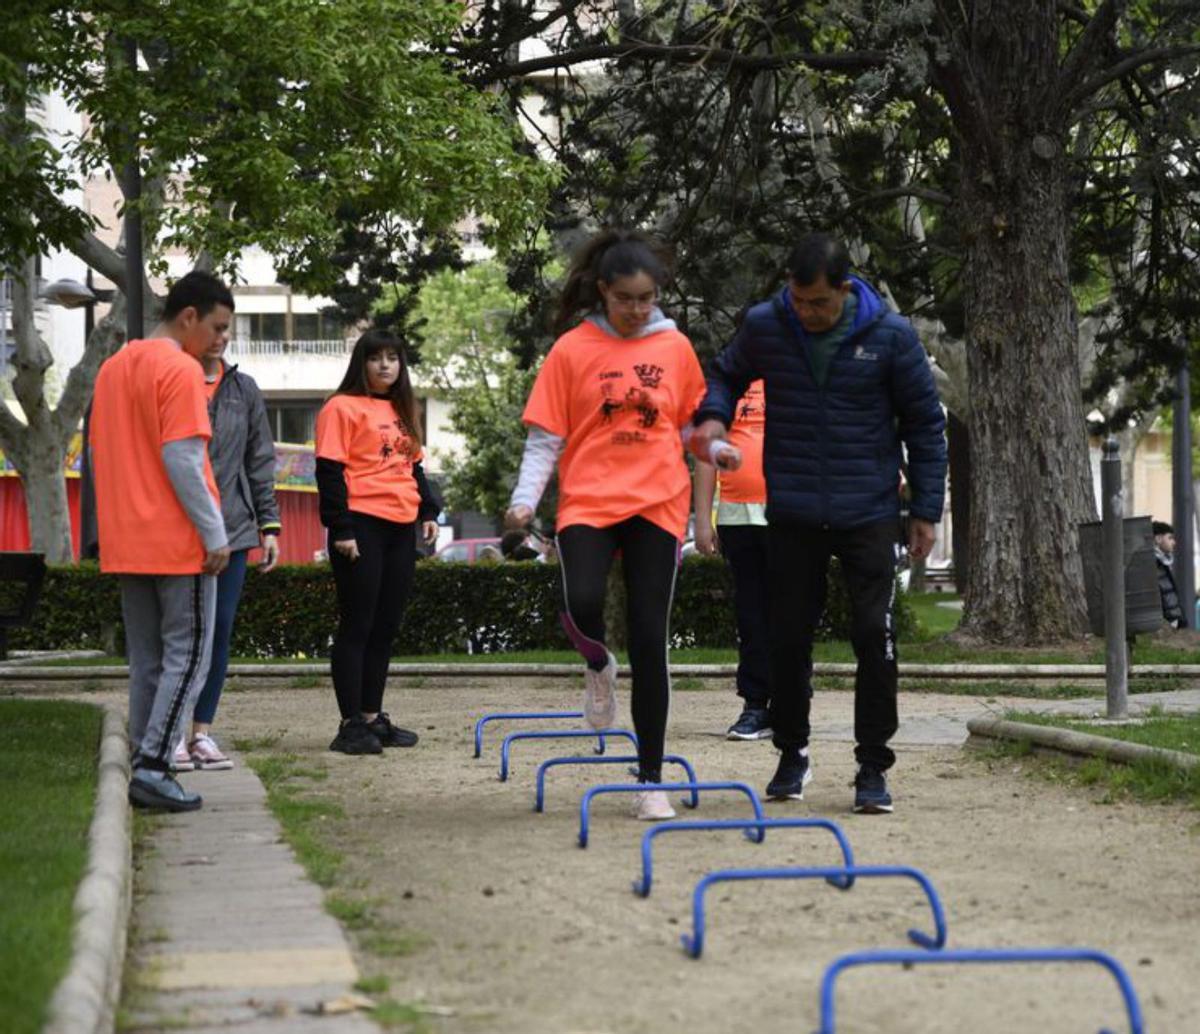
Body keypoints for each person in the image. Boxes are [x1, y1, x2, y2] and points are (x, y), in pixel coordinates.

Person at [691, 232, 947, 814]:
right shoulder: (767, 325)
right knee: (787, 638)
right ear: (789, 287)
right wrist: (714, 417)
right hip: (794, 508)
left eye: (821, 304)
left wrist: (926, 509)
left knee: (873, 636)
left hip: (869, 509)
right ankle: (792, 752)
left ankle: (872, 765)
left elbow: (925, 425)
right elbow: (724, 375)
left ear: (845, 288)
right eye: (801, 301)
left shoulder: (890, 335)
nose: (809, 313)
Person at [505, 229, 739, 822]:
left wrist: (716, 451)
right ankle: (597, 666)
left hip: (657, 502)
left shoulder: (675, 347)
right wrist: (523, 503)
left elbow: (690, 430)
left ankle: (651, 779)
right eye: (625, 299)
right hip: (588, 499)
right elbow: (545, 439)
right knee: (581, 600)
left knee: (649, 637)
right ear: (603, 291)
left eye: (647, 298)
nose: (637, 309)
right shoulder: (572, 350)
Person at [91, 270, 233, 811]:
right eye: (217, 327)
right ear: (189, 316)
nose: (220, 339)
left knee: (148, 660)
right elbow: (183, 458)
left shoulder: (113, 367)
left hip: (129, 539)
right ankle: (154, 766)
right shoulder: (180, 369)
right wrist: (214, 533)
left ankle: (143, 759)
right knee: (189, 655)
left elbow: (104, 454)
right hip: (178, 541)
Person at [315, 330, 440, 755]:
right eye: (376, 358)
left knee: (385, 626)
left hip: (401, 526)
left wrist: (428, 511)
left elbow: (413, 467)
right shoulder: (340, 407)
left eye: (392, 357)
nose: (385, 365)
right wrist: (341, 528)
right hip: (361, 523)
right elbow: (329, 471)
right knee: (358, 625)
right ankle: (350, 724)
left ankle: (372, 717)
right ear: (362, 363)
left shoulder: (404, 409)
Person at [171, 329, 282, 773]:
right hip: (178, 527)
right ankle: (170, 734)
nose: (219, 336)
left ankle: (201, 733)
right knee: (180, 633)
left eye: (225, 328)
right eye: (212, 326)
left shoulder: (243, 389)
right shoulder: (173, 380)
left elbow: (259, 459)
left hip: (233, 528)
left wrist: (268, 524)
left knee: (219, 630)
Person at [693, 379, 774, 739]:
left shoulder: (796, 375)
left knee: (791, 612)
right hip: (736, 516)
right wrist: (702, 521)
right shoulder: (726, 387)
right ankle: (755, 704)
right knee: (750, 614)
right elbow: (706, 456)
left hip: (789, 513)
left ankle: (790, 702)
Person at [1152, 520, 1185, 629]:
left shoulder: (1162, 563)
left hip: (1171, 622)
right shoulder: (1152, 563)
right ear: (1158, 539)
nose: (1174, 542)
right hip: (1163, 625)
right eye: (1170, 538)